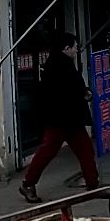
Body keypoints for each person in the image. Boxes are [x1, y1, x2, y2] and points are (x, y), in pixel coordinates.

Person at [19, 33, 100, 202]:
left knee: (85, 150)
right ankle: (28, 184)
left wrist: (83, 93)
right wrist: (84, 94)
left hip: (69, 119)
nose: (77, 49)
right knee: (48, 151)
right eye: (75, 46)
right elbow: (65, 92)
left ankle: (93, 184)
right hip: (61, 119)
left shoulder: (60, 64)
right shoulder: (58, 66)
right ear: (66, 48)